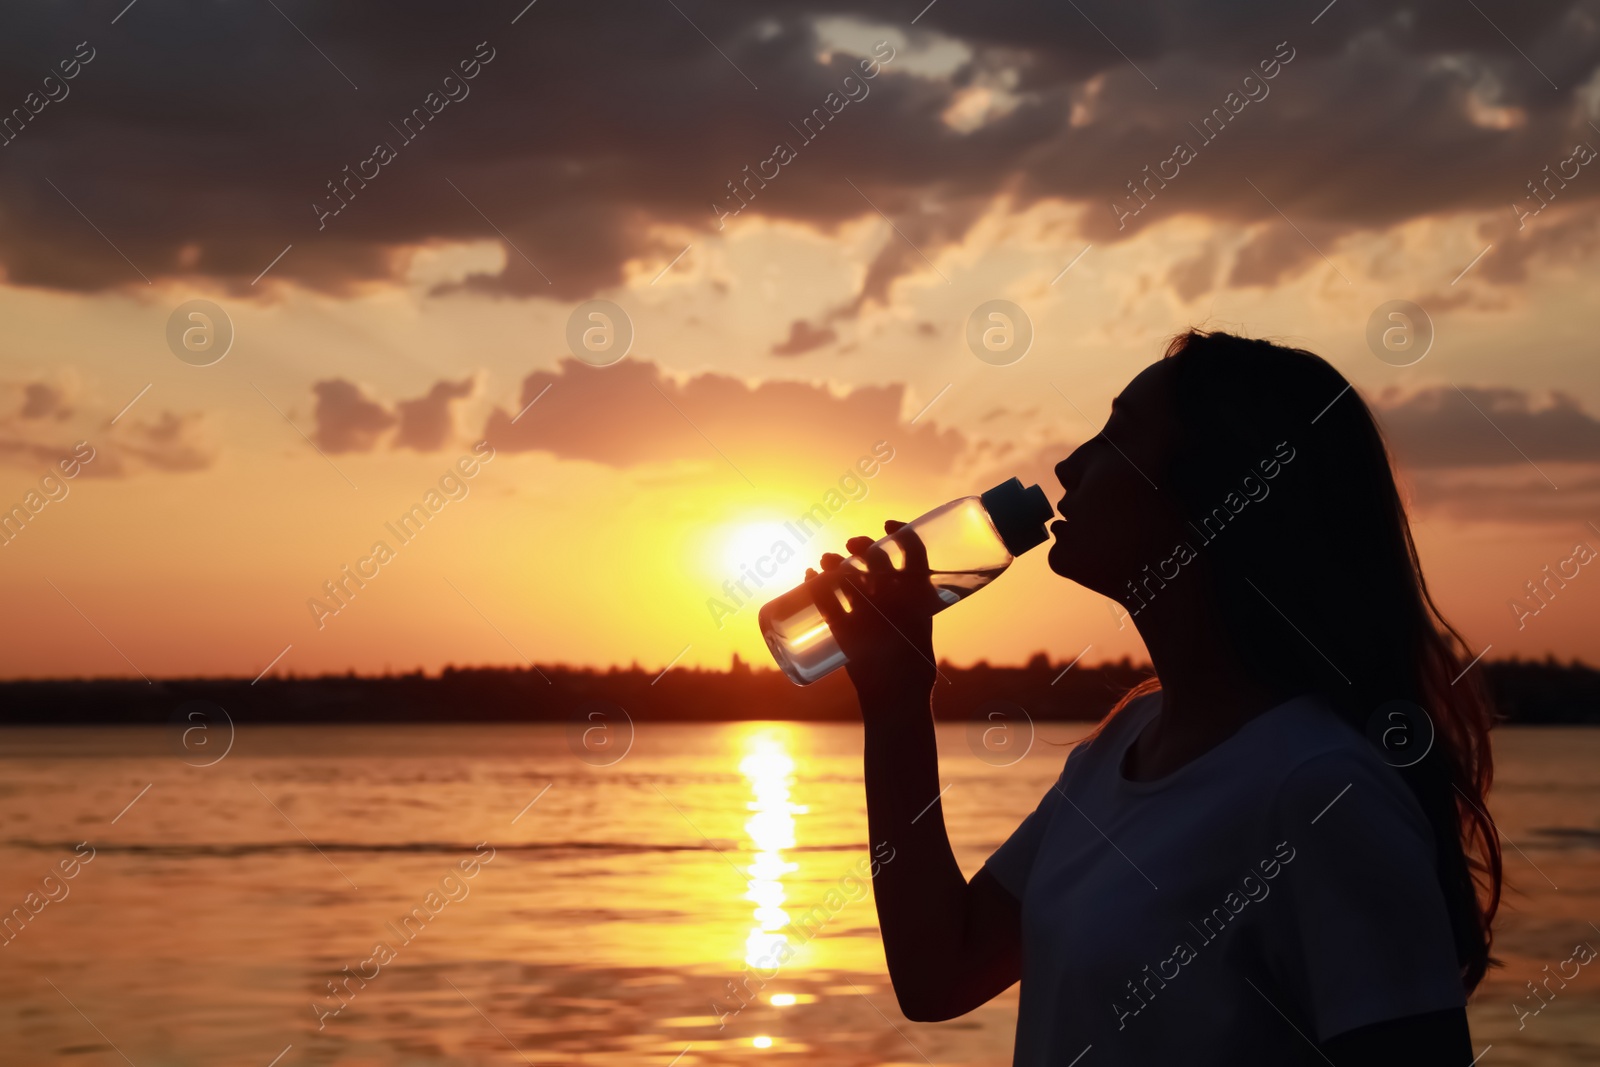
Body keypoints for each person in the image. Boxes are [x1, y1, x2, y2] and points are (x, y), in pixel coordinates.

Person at [804, 330, 1502, 1066]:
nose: (1071, 465)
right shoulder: (1123, 745)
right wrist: (895, 702)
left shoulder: (1321, 791)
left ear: (1216, 490)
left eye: (1116, 436)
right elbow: (938, 970)